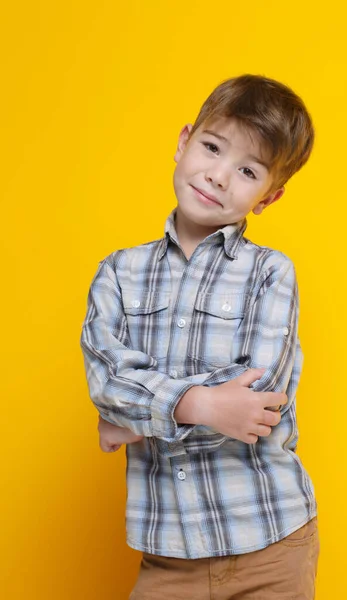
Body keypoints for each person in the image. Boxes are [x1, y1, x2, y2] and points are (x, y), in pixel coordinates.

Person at [80, 74, 319, 600]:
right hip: (167, 550)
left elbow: (257, 401)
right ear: (184, 141)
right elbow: (107, 377)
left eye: (247, 171)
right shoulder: (119, 273)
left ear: (269, 196)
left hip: (270, 541)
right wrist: (203, 404)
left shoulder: (270, 273)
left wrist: (134, 417)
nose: (218, 176)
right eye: (212, 147)